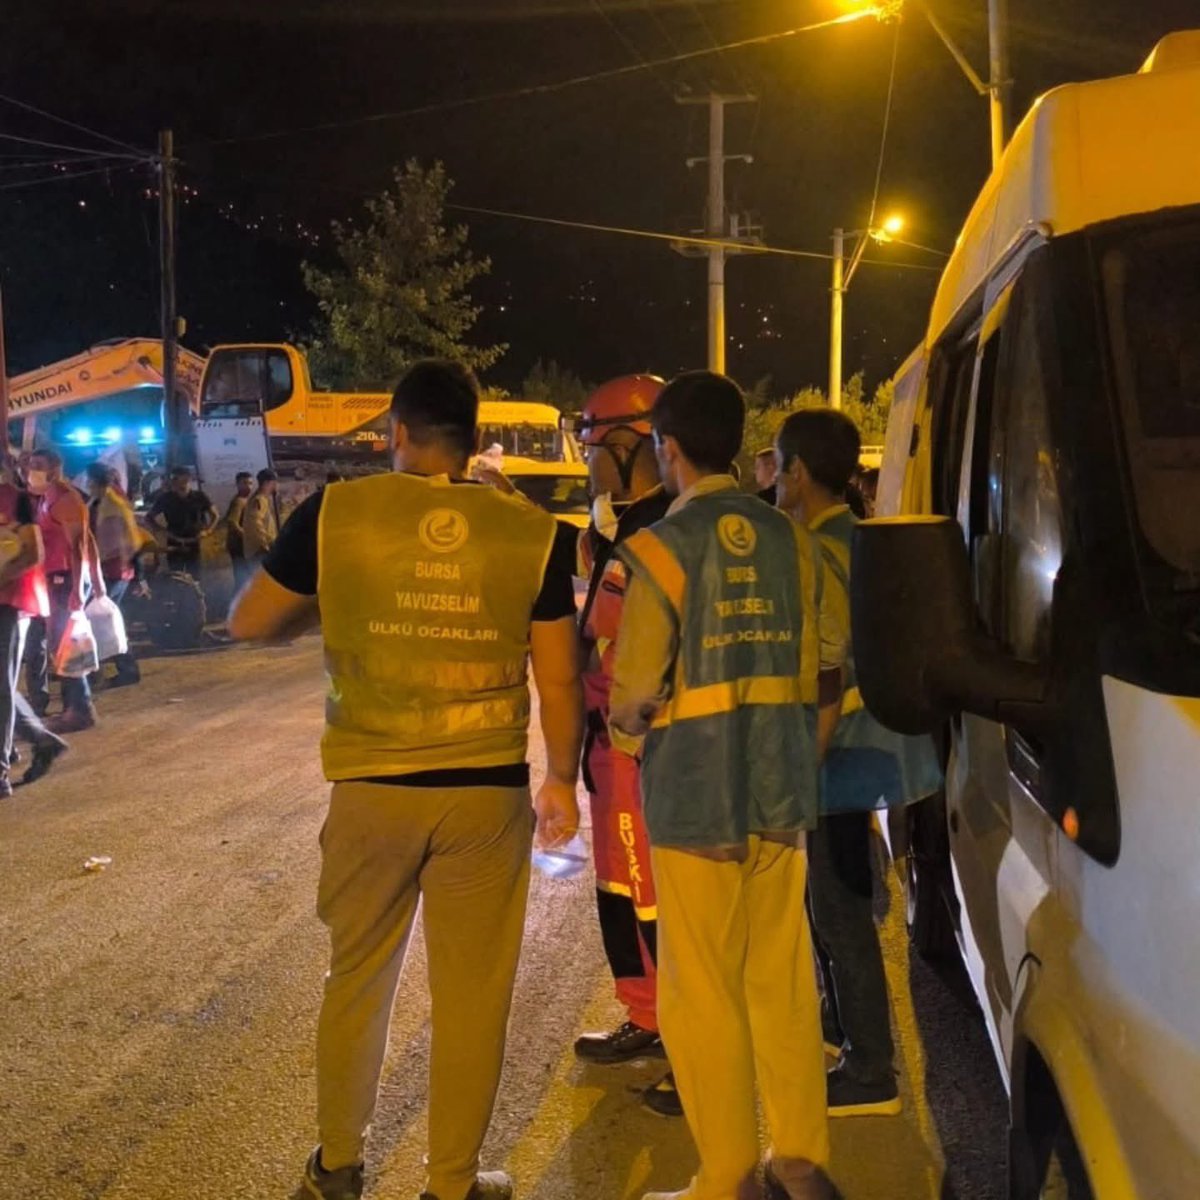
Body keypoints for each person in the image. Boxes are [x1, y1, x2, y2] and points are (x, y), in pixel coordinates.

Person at [228, 358, 584, 1200]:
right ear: (473, 439)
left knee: (357, 978)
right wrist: (562, 779)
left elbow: (250, 621)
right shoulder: (529, 532)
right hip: (485, 795)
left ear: (396, 430)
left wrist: (338, 601)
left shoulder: (336, 513)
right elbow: (560, 676)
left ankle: (337, 1166)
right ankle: (452, 1184)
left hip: (371, 788)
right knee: (473, 998)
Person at [609, 371, 846, 1200]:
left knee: (702, 989)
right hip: (780, 790)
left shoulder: (662, 549)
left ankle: (727, 1176)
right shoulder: (793, 540)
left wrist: (626, 738)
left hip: (695, 797)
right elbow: (826, 657)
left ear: (667, 448)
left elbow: (634, 691)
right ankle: (800, 1160)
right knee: (782, 981)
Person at [774, 409, 941, 1120]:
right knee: (836, 905)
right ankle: (839, 1021)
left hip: (837, 758)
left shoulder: (815, 550)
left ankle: (870, 1066)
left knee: (839, 912)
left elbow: (826, 668)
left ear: (798, 472)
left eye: (776, 463)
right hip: (870, 751)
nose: (771, 477)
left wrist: (795, 767)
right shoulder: (858, 537)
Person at [570, 375, 681, 1116]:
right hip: (608, 753)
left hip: (643, 750)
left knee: (656, 901)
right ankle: (646, 1013)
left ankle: (686, 1037)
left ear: (628, 442)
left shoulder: (663, 531)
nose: (585, 463)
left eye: (591, 447)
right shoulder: (622, 527)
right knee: (620, 891)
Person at [0, 474, 67, 794]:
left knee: (2, 685)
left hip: (10, 600)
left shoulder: (16, 500)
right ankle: (40, 741)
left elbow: (33, 554)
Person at [26, 449, 101, 734]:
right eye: (31, 465)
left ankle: (80, 711)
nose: (31, 470)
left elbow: (79, 544)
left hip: (66, 580)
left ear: (55, 467)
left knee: (66, 647)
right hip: (56, 580)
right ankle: (74, 708)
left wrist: (79, 590)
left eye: (38, 465)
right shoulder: (48, 497)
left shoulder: (66, 498)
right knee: (61, 646)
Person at [86, 463, 142, 688]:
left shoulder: (111, 506)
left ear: (94, 481)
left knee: (102, 621)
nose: (87, 484)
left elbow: (117, 543)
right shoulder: (101, 503)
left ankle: (114, 671)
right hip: (111, 569)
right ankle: (121, 670)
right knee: (106, 620)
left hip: (114, 570)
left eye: (89, 480)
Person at [148, 465, 217, 575]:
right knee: (176, 575)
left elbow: (215, 515)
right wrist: (162, 531)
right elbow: (149, 518)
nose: (172, 482)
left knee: (194, 576)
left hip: (194, 541)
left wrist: (208, 531)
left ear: (187, 479)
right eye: (172, 479)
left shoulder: (200, 496)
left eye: (176, 479)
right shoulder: (166, 498)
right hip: (174, 541)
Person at [242, 468, 279, 562]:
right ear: (266, 483)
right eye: (273, 483)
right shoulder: (258, 500)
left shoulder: (263, 499)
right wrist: (268, 543)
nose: (275, 486)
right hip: (259, 551)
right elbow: (255, 525)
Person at [224, 472, 254, 588]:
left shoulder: (246, 500)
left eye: (250, 483)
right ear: (238, 484)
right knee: (243, 578)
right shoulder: (239, 501)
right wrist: (248, 537)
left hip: (244, 545)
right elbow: (233, 523)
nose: (248, 486)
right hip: (238, 545)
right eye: (245, 483)